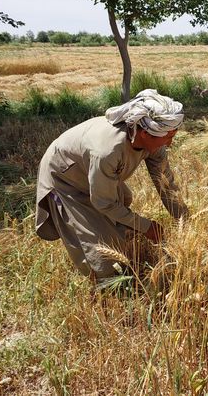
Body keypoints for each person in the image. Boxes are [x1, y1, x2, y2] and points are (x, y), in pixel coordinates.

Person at [35, 89, 189, 279]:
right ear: (145, 133)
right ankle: (105, 288)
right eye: (168, 137)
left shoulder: (154, 143)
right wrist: (146, 227)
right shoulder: (107, 151)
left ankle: (123, 254)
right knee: (98, 248)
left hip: (91, 171)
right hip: (65, 177)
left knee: (121, 209)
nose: (170, 143)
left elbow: (166, 185)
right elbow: (104, 203)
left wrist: (185, 219)